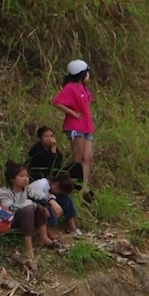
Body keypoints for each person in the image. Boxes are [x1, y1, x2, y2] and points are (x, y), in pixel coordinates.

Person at [0, 161, 57, 264]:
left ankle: (43, 238)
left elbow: (39, 195)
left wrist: (51, 201)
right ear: (12, 179)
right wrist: (31, 204)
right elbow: (11, 207)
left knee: (40, 208)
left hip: (21, 219)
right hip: (6, 221)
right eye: (21, 176)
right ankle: (28, 249)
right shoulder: (2, 193)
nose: (25, 179)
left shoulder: (27, 190)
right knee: (28, 209)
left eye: (27, 176)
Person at [51, 59, 94, 199]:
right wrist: (73, 113)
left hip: (86, 126)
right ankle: (75, 185)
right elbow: (56, 102)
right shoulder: (70, 87)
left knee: (87, 157)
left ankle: (84, 187)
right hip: (76, 126)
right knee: (78, 157)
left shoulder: (82, 86)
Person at [27, 126, 81, 237]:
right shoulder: (36, 150)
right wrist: (52, 151)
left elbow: (57, 166)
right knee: (47, 204)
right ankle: (50, 231)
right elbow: (47, 164)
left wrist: (54, 150)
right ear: (40, 138)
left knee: (66, 198)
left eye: (51, 136)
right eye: (46, 136)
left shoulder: (55, 151)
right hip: (39, 181)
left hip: (53, 181)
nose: (49, 139)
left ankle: (72, 226)